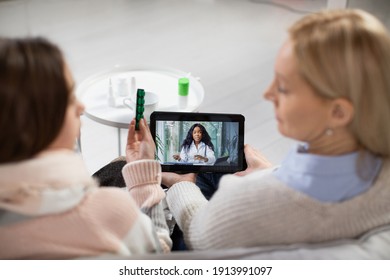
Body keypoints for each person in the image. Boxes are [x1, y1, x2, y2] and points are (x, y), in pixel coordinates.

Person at [161, 9, 390, 250]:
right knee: (226, 162)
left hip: (214, 228)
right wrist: (272, 172)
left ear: (339, 112)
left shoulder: (257, 202)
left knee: (154, 174)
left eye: (283, 87)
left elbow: (200, 233)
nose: (267, 93)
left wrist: (181, 185)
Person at [0, 37, 171, 259]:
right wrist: (145, 178)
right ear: (38, 120)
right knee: (121, 167)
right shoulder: (110, 213)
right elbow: (158, 256)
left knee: (118, 165)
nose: (81, 107)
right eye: (69, 98)